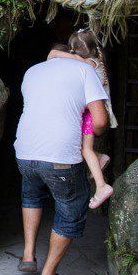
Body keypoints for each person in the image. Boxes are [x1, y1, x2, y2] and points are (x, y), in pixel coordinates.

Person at [13, 37, 110, 275]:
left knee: (31, 194)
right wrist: (92, 138)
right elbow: (100, 121)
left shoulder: (33, 70)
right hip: (60, 156)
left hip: (25, 149)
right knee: (71, 208)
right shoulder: (85, 70)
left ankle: (28, 255)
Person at [58, 29, 114, 210]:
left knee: (85, 149)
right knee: (85, 148)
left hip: (90, 112)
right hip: (93, 110)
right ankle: (100, 157)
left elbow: (61, 57)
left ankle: (101, 186)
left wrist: (61, 53)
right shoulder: (96, 61)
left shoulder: (88, 64)